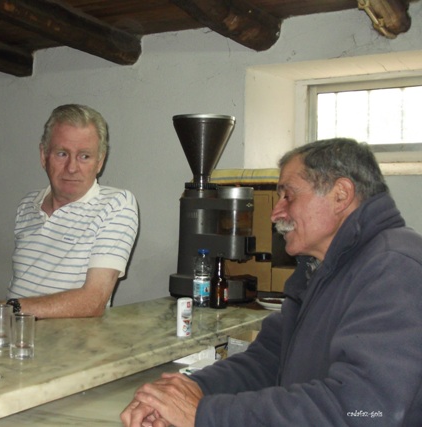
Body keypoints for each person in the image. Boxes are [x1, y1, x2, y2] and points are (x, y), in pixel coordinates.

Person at [121, 138, 422, 427]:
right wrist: (191, 390)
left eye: (288, 196)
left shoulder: (395, 269)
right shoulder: (319, 269)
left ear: (340, 195)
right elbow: (269, 360)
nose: (276, 213)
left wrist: (206, 415)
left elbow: (365, 411)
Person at [0, 104, 139, 334]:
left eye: (84, 156)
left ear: (100, 162)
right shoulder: (27, 205)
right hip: (14, 339)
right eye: (62, 154)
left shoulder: (117, 204)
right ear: (44, 156)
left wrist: (8, 309)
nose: (72, 168)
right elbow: (23, 290)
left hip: (69, 347)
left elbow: (93, 301)